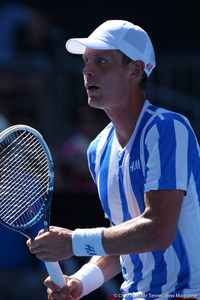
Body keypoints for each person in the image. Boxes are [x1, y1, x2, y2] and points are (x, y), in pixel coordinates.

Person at [27, 20, 200, 300]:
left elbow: (158, 230)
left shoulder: (169, 128)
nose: (86, 70)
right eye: (86, 61)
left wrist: (74, 242)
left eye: (101, 60)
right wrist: (80, 282)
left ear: (135, 70)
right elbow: (120, 238)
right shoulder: (98, 149)